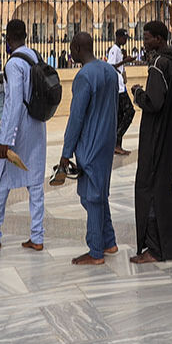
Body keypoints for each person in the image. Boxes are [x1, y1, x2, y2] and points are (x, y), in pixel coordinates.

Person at [130, 20, 172, 264]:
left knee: (153, 189)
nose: (145, 42)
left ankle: (156, 248)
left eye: (148, 38)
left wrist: (138, 93)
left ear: (159, 39)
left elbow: (154, 102)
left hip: (159, 137)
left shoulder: (159, 64)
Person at [0, 19, 46, 252]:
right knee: (35, 183)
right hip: (37, 126)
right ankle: (37, 236)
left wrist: (5, 140)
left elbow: (14, 102)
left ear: (8, 38)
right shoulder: (34, 56)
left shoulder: (14, 63)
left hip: (19, 131)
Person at [60, 32, 119, 264]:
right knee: (99, 191)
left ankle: (95, 251)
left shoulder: (84, 76)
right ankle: (110, 241)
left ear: (76, 48)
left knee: (91, 197)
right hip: (106, 141)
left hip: (91, 142)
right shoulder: (109, 71)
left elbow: (76, 118)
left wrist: (66, 153)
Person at [108, 28, 133, 155]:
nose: (125, 40)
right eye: (124, 38)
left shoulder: (119, 50)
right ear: (118, 37)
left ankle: (117, 145)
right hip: (117, 86)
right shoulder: (114, 50)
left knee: (120, 114)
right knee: (130, 111)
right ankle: (117, 139)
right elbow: (110, 66)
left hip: (120, 84)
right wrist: (125, 61)